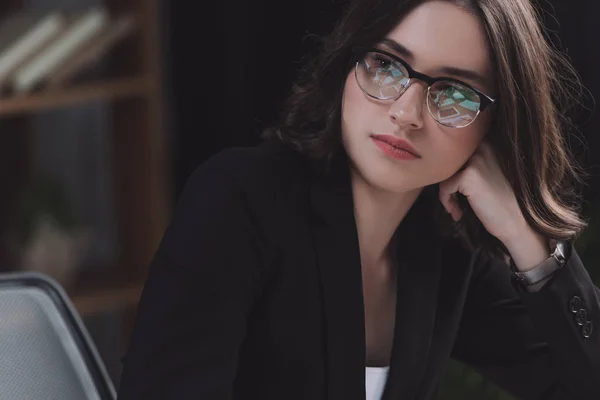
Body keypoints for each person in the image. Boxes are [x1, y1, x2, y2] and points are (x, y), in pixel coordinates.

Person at [117, 0, 600, 399]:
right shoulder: (238, 201)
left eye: (454, 95)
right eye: (387, 65)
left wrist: (528, 240)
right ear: (348, 63)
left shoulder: (447, 246)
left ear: (496, 130)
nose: (407, 113)